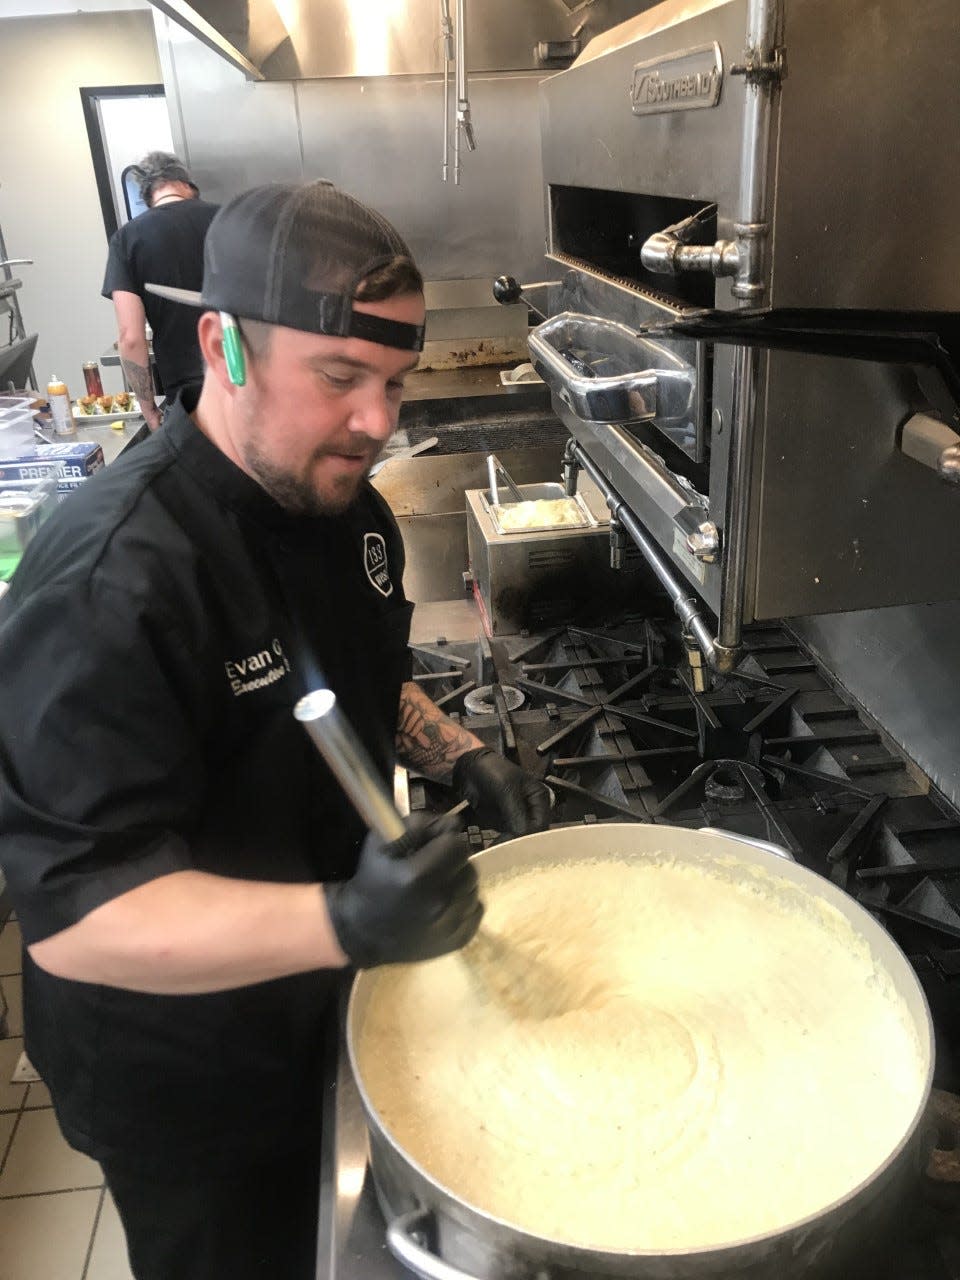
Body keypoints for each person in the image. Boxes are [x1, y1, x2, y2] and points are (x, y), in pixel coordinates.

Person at [0, 180, 551, 1280]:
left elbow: (350, 686)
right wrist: (350, 918)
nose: (379, 420)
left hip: (319, 1012)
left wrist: (460, 750)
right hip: (182, 1075)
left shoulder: (349, 512)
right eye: (340, 377)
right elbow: (81, 915)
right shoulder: (114, 580)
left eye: (392, 382)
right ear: (224, 345)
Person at [102, 151, 218, 430]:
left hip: (187, 396)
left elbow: (130, 337)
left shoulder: (126, 239)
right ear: (188, 185)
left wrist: (149, 409)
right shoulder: (228, 219)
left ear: (147, 195)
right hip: (245, 379)